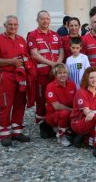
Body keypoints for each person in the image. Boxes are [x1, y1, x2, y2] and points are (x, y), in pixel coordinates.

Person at [0, 15, 31, 146]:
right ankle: (5, 133)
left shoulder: (21, 40)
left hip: (20, 76)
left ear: (18, 26)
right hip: (6, 75)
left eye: (15, 25)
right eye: (10, 24)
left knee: (20, 102)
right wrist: (11, 61)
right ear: (5, 25)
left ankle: (17, 131)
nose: (13, 27)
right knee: (6, 103)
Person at [27, 10, 64, 138]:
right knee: (41, 99)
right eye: (42, 19)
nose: (45, 21)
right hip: (42, 73)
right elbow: (34, 54)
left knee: (55, 98)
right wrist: (51, 64)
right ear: (37, 20)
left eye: (47, 19)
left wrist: (57, 65)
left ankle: (52, 122)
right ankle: (42, 125)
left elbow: (61, 52)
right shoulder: (33, 35)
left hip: (55, 74)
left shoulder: (55, 35)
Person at [45, 63, 76, 146]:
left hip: (69, 113)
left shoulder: (72, 84)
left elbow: (75, 101)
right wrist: (72, 111)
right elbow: (57, 106)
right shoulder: (50, 86)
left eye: (64, 72)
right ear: (55, 75)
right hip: (53, 115)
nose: (63, 75)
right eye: (60, 73)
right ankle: (61, 137)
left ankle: (67, 129)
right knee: (64, 113)